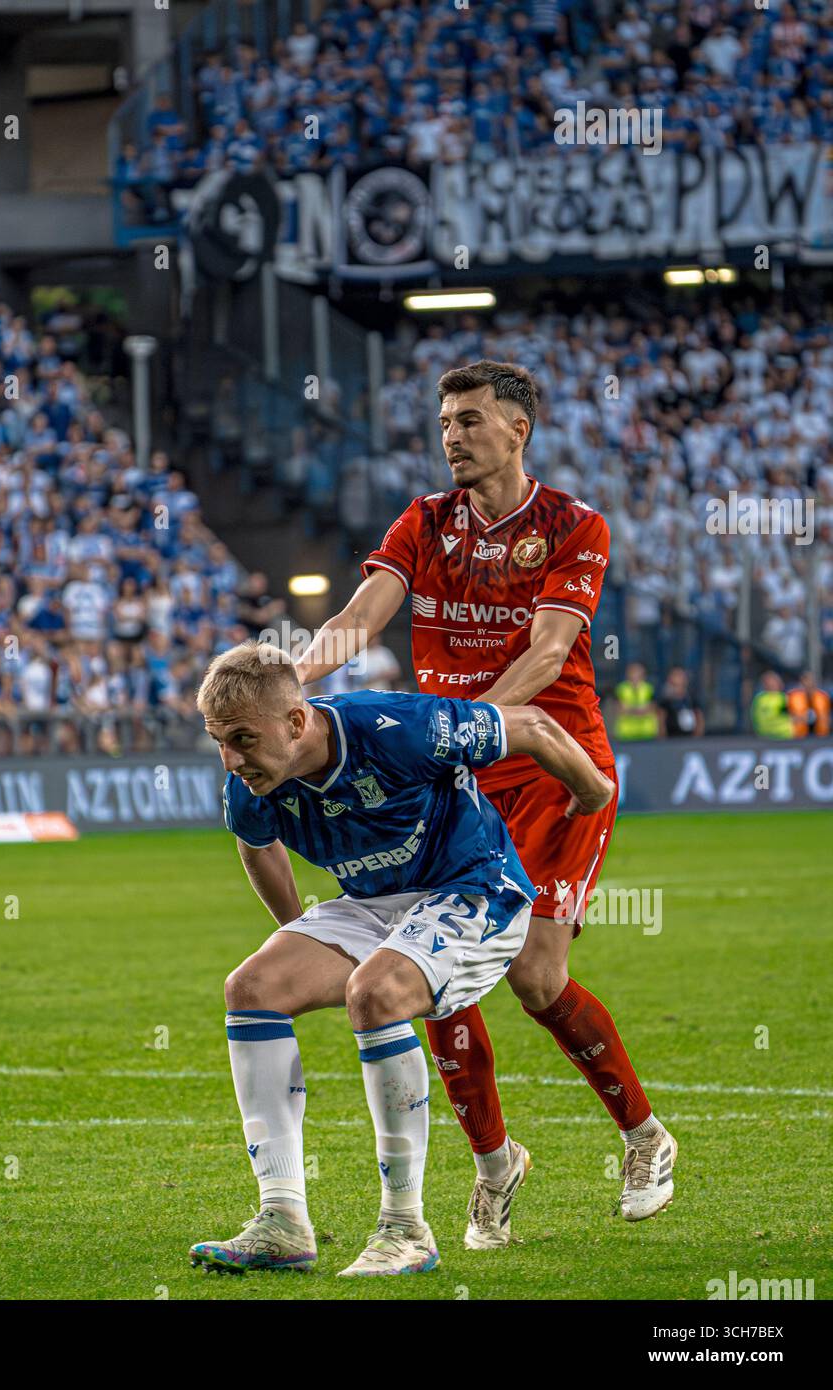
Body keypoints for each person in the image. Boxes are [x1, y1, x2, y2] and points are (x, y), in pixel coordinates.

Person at [294, 358, 676, 1238]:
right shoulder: (426, 522)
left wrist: (458, 729)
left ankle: (645, 1135)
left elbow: (547, 655)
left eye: (469, 420)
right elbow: (360, 617)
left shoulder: (574, 526)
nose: (452, 437)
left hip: (553, 772)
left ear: (518, 429)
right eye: (445, 423)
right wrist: (290, 679)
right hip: (460, 779)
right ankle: (496, 1165)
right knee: (439, 978)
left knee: (539, 977)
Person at [189, 641, 617, 1275]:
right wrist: (303, 936)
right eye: (219, 741)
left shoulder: (395, 728)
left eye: (243, 739)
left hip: (475, 889)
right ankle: (282, 1222)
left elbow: (531, 725)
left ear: (297, 721)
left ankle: (405, 1229)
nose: (231, 758)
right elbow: (258, 847)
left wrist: (591, 791)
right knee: (251, 987)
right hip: (372, 903)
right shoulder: (250, 782)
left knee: (375, 992)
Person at [614, 661, 661, 740]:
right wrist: (641, 709)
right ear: (627, 674)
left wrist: (630, 708)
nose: (635, 675)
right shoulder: (621, 689)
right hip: (626, 734)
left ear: (643, 674)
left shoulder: (649, 688)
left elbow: (652, 708)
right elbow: (620, 709)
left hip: (647, 733)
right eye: (633, 672)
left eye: (637, 672)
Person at [658, 665, 704, 737]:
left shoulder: (691, 698)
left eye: (680, 675)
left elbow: (699, 718)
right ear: (669, 678)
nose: (678, 678)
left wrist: (697, 736)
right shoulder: (666, 700)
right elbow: (661, 722)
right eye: (675, 675)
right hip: (671, 740)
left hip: (690, 739)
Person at [787, 670, 830, 738]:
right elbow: (786, 716)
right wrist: (799, 718)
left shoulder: (823, 696)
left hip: (821, 736)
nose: (809, 683)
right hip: (799, 736)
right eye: (806, 680)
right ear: (801, 681)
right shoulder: (792, 696)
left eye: (812, 680)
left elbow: (828, 715)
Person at [750, 670, 793, 738]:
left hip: (779, 737)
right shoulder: (760, 699)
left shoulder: (785, 698)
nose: (771, 684)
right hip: (772, 737)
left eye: (773, 681)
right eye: (768, 682)